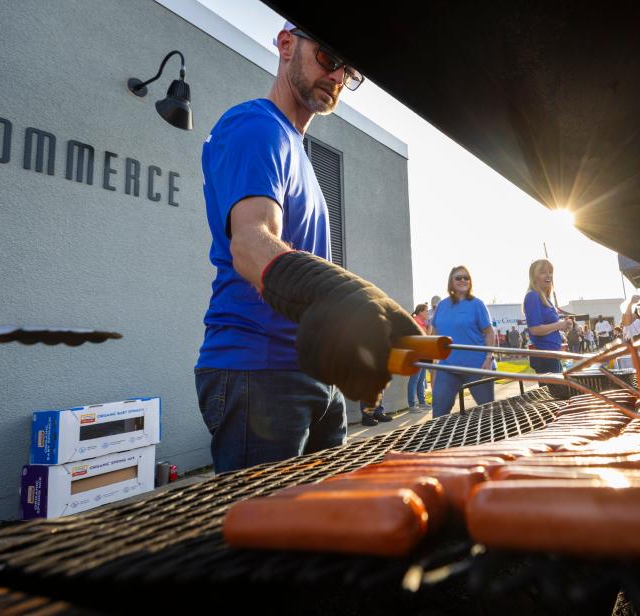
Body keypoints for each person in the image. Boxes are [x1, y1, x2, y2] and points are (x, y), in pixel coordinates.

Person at [194, 22, 421, 473]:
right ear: (285, 46)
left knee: (320, 532)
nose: (338, 77)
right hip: (258, 372)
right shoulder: (255, 127)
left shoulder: (298, 149)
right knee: (264, 539)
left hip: (316, 373)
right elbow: (251, 243)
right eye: (328, 58)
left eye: (348, 72)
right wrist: (336, 297)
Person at [430, 266, 496, 416]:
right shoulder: (442, 306)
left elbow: (489, 333)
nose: (463, 280)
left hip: (477, 366)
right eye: (458, 278)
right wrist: (434, 369)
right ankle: (441, 439)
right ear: (451, 283)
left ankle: (491, 440)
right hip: (448, 367)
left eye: (466, 277)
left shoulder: (477, 304)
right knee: (439, 412)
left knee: (488, 412)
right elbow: (435, 337)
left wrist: (488, 357)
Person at [523, 259, 572, 373]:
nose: (548, 275)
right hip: (545, 356)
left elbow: (550, 327)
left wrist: (565, 326)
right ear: (534, 276)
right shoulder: (532, 296)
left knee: (557, 390)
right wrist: (560, 325)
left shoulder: (546, 299)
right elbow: (535, 329)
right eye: (543, 272)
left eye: (550, 272)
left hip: (553, 354)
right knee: (553, 390)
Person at [407, 304, 432, 412]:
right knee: (414, 380)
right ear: (420, 312)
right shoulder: (415, 322)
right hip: (416, 355)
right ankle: (412, 405)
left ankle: (422, 402)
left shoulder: (423, 323)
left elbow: (428, 338)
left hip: (423, 354)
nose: (428, 313)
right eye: (426, 311)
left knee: (421, 379)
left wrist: (429, 328)